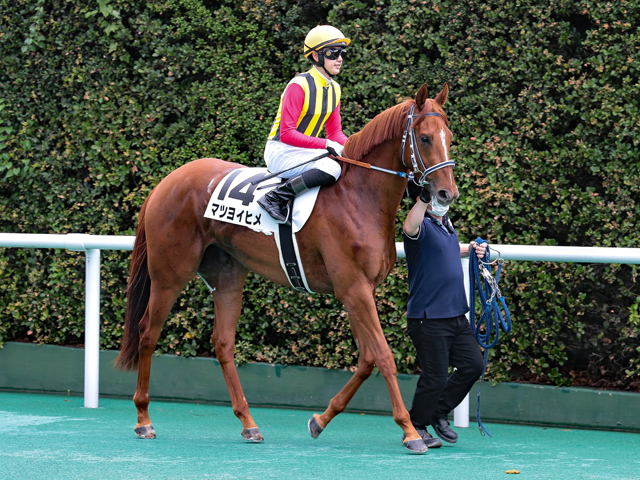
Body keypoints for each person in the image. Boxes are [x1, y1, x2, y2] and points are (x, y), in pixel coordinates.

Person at [401, 187, 487, 449]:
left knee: (473, 365)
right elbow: (409, 226)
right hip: (428, 317)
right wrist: (423, 200)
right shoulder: (421, 226)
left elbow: (446, 251)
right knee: (435, 378)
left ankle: (438, 412)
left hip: (456, 315)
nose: (442, 201)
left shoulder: (446, 225)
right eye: (436, 197)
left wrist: (471, 249)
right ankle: (416, 426)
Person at [257, 25, 350, 226]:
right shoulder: (298, 85)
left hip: (305, 152)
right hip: (280, 150)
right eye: (333, 53)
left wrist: (355, 147)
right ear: (316, 56)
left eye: (342, 53)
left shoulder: (335, 88)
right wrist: (326, 144)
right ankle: (275, 198)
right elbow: (287, 133)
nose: (339, 59)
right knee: (331, 168)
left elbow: (335, 133)